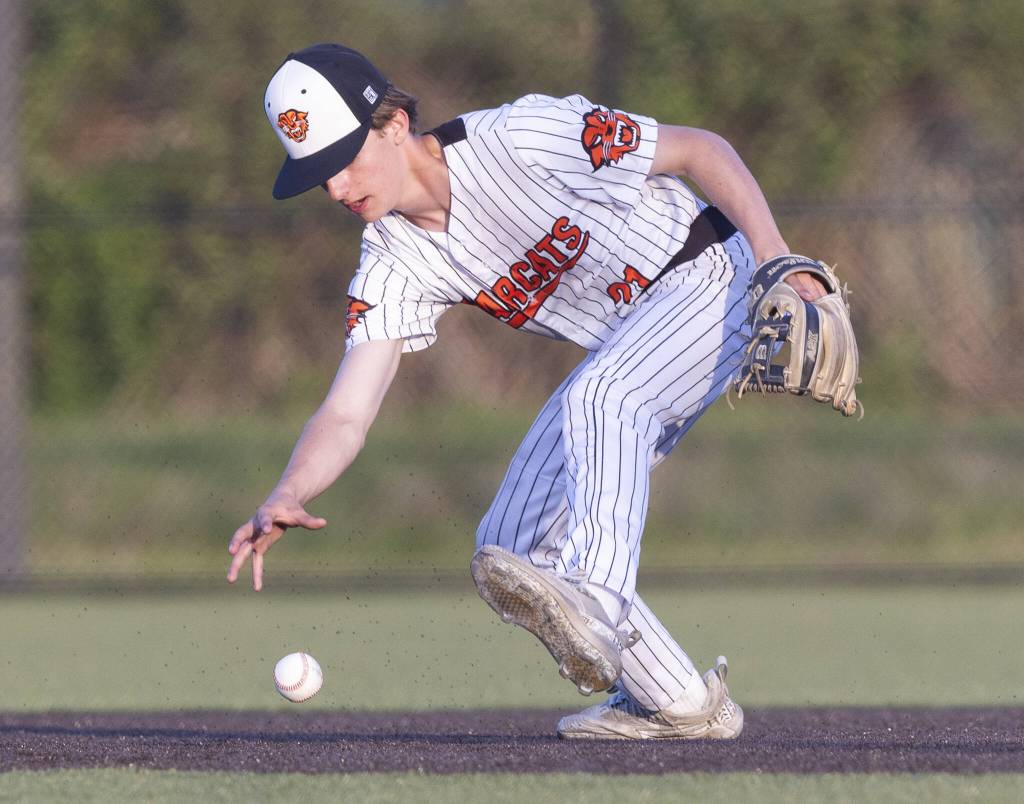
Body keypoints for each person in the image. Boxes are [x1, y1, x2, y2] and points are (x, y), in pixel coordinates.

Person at [228, 43, 827, 740]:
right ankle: (678, 702)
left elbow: (702, 151)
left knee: (601, 401)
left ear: (392, 124)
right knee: (510, 549)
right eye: (318, 173)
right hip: (631, 342)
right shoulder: (392, 260)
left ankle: (597, 611)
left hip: (713, 279)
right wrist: (290, 490)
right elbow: (346, 411)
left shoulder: (522, 136)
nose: (335, 188)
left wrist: (776, 258)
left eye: (343, 158)